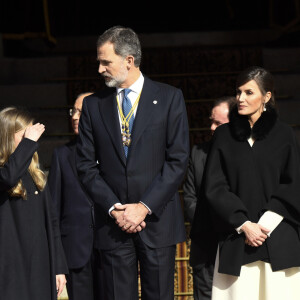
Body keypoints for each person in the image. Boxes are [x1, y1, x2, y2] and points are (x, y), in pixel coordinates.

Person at [76, 26, 190, 300]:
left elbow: (178, 160)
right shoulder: (93, 105)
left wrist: (143, 207)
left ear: (128, 60)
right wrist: (116, 209)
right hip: (113, 224)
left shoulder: (169, 98)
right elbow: (86, 166)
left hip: (157, 221)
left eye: (106, 62)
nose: (101, 69)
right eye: (99, 62)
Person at [196, 66, 300, 300]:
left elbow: (293, 184)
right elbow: (215, 186)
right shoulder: (223, 135)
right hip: (236, 240)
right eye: (238, 92)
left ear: (267, 96)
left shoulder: (285, 135)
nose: (240, 98)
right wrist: (244, 224)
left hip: (279, 239)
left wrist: (266, 223)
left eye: (249, 92)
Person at [0, 107, 68, 300]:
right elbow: (8, 178)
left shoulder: (35, 174)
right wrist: (28, 143)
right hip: (10, 268)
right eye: (24, 137)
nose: (31, 143)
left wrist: (59, 267)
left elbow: (52, 223)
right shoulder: (5, 172)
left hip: (39, 264)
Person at [48, 92, 104, 300]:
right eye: (73, 111)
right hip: (75, 251)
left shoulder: (116, 154)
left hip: (111, 248)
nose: (74, 116)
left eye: (81, 111)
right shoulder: (61, 155)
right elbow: (54, 209)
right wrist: (57, 262)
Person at [184, 96, 235, 300]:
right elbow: (189, 198)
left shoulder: (247, 154)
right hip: (204, 247)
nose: (212, 127)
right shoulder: (198, 153)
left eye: (218, 123)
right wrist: (211, 225)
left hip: (235, 246)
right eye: (211, 121)